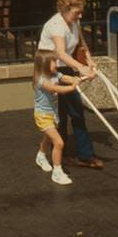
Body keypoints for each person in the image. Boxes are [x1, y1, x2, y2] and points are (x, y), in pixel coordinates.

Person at [37, 0, 102, 169]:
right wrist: (81, 68)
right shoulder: (57, 25)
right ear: (65, 8)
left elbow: (82, 44)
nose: (80, 15)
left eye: (81, 11)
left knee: (75, 111)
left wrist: (90, 61)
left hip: (64, 66)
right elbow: (60, 52)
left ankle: (82, 154)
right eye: (77, 12)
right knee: (60, 115)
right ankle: (59, 154)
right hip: (48, 68)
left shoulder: (74, 21)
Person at [32, 49, 86, 186]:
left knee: (48, 138)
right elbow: (57, 89)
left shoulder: (55, 74)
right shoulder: (41, 80)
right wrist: (72, 87)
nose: (56, 64)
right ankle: (57, 172)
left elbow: (67, 78)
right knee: (59, 142)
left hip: (52, 114)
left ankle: (41, 156)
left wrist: (81, 78)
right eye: (53, 62)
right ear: (43, 64)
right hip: (42, 116)